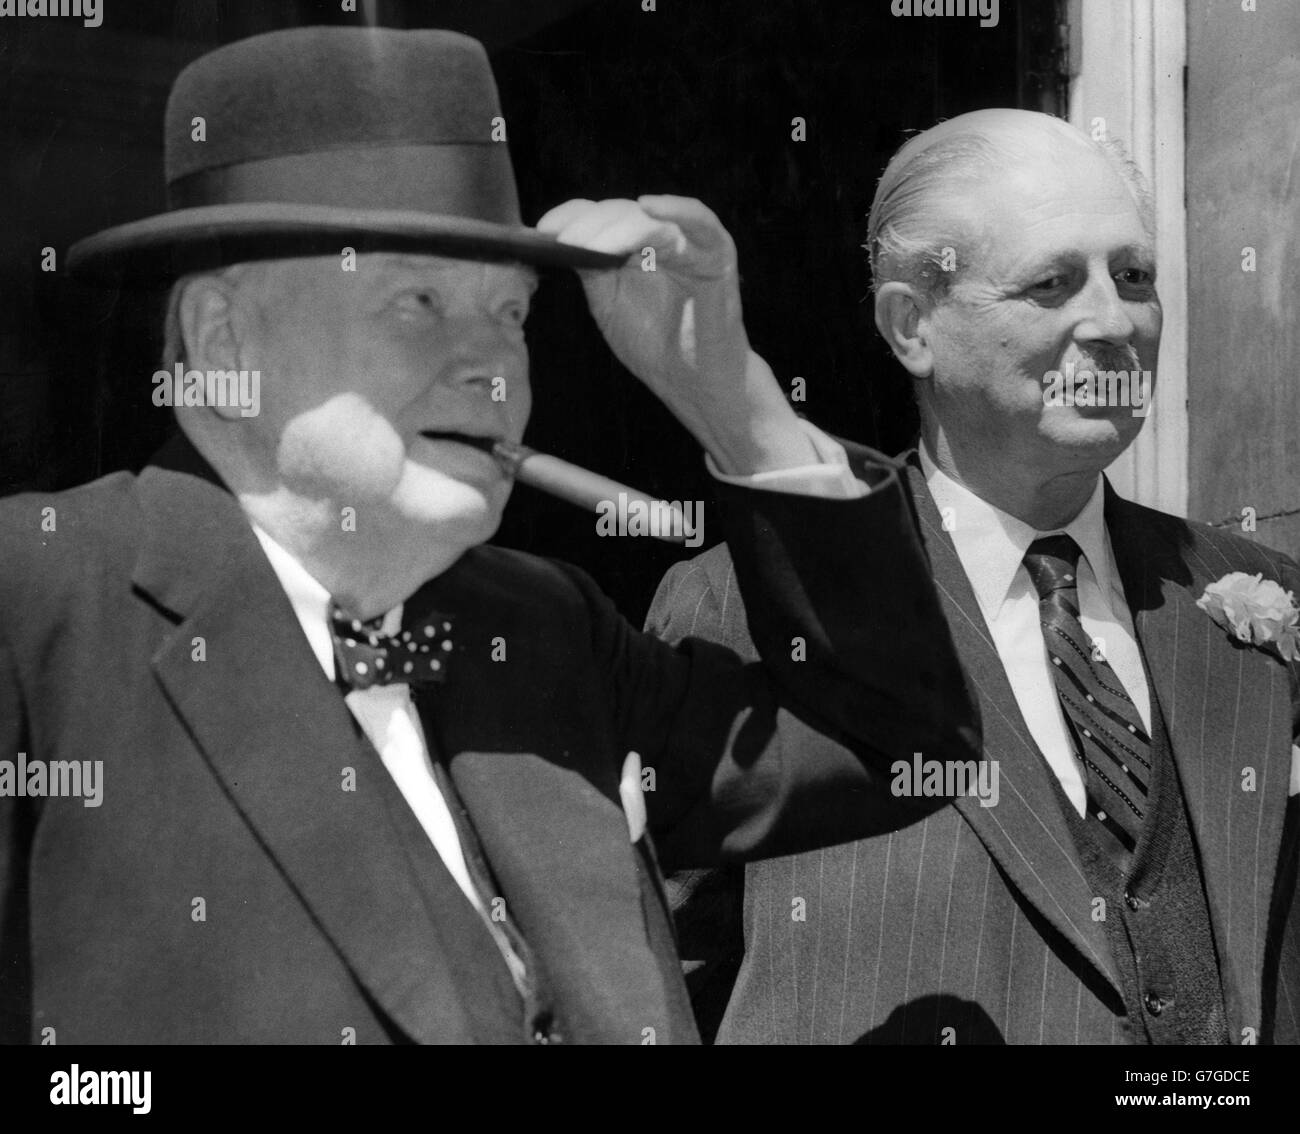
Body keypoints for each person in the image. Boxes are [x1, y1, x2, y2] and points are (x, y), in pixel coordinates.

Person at [0, 27, 975, 1044]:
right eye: (416, 302)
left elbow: (897, 744)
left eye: (510, 316)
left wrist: (726, 393)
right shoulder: (40, 598)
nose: (490, 367)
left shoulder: (537, 625)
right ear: (221, 339)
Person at [651, 108, 1300, 1045]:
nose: (1114, 322)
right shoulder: (748, 606)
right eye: (1050, 282)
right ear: (912, 326)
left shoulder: (1254, 589)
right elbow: (657, 973)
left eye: (1134, 276)